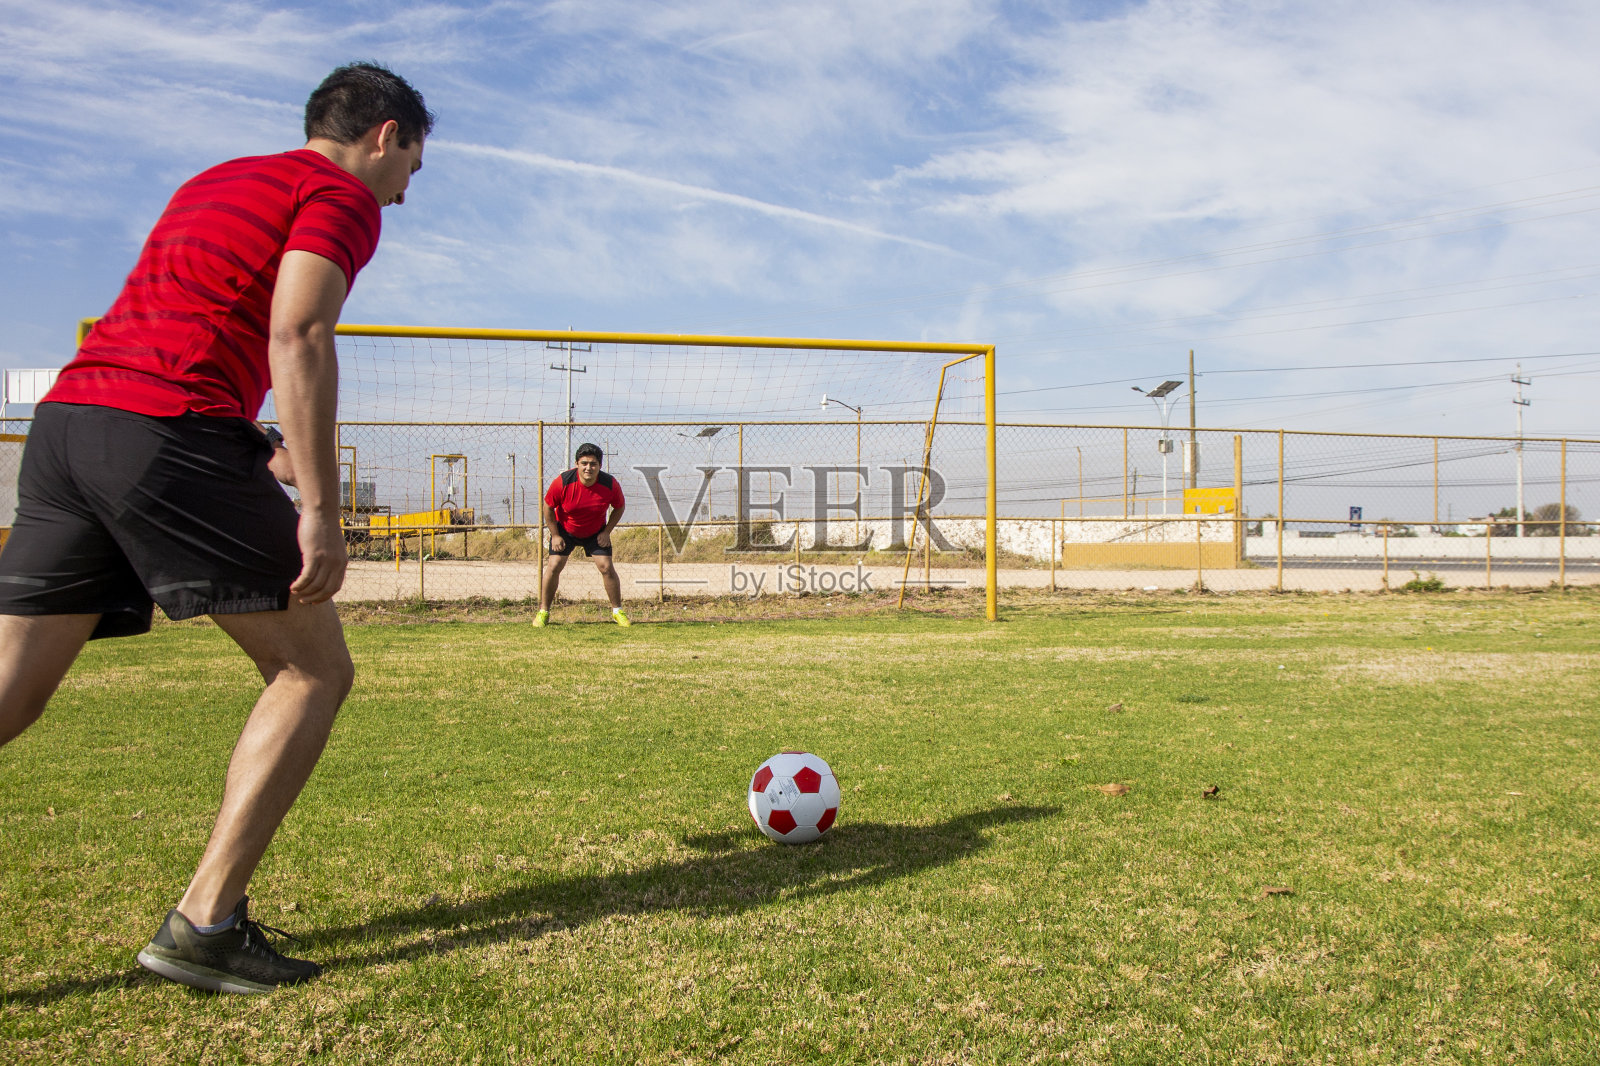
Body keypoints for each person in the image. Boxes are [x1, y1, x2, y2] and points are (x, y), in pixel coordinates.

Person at [0, 63, 433, 994]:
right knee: (313, 667)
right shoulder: (340, 192)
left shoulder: (218, 179)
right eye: (412, 171)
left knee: (9, 693)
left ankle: (206, 924)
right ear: (385, 136)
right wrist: (319, 506)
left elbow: (193, 316)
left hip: (72, 424)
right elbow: (300, 332)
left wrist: (257, 440)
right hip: (167, 429)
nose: (403, 195)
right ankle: (205, 925)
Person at [537, 443, 630, 626]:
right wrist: (555, 535)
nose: (589, 468)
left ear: (600, 466)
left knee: (606, 567)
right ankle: (543, 612)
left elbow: (619, 507)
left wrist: (606, 532)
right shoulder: (563, 481)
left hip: (595, 532)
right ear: (577, 464)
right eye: (584, 463)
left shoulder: (610, 484)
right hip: (565, 530)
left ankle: (617, 611)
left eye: (593, 464)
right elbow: (548, 507)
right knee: (554, 565)